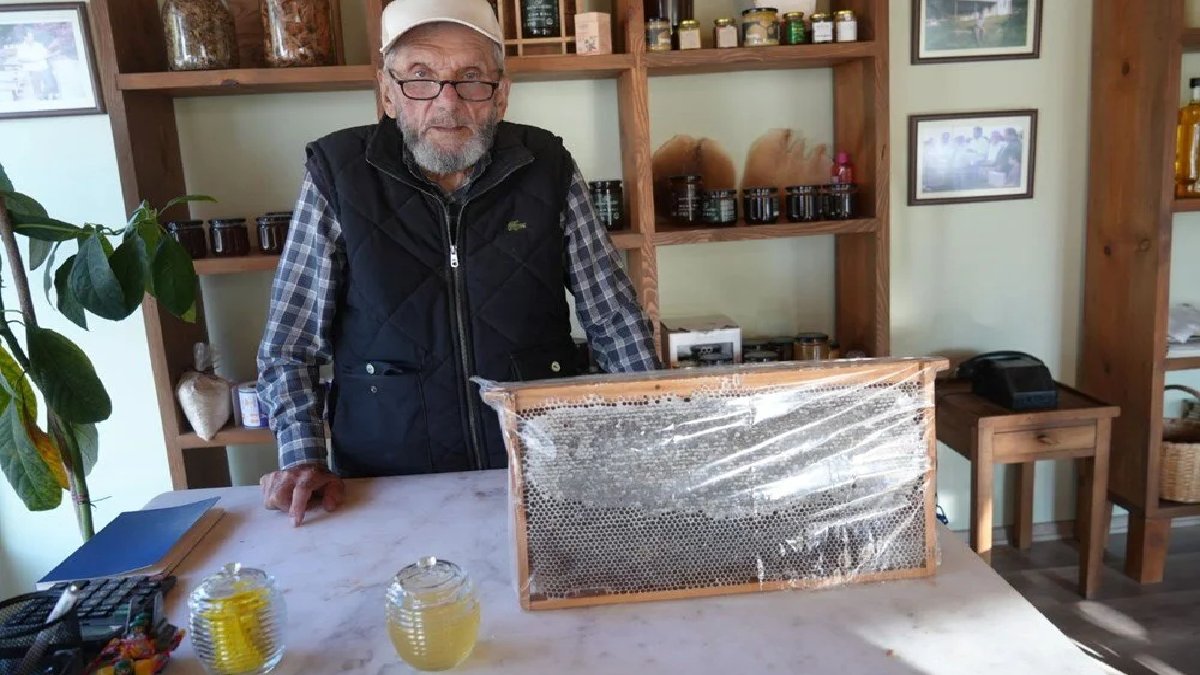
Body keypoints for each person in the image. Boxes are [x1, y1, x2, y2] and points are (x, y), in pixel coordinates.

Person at [256, 0, 658, 525]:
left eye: (471, 79)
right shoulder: (338, 174)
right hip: (385, 485)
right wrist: (302, 458)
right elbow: (289, 348)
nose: (447, 103)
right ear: (388, 93)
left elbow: (615, 322)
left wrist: (653, 437)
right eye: (420, 78)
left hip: (541, 473)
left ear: (501, 94)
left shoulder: (548, 167)